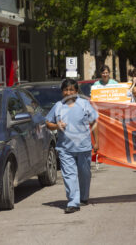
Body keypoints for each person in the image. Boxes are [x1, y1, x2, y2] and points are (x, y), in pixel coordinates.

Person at [46, 78, 99, 214]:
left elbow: (93, 122)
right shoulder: (58, 106)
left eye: (71, 90)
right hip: (65, 148)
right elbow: (48, 123)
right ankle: (73, 202)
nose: (68, 92)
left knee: (84, 174)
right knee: (69, 175)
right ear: (62, 91)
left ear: (76, 92)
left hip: (83, 147)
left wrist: (96, 142)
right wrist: (57, 125)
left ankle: (84, 196)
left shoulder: (84, 104)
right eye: (66, 90)